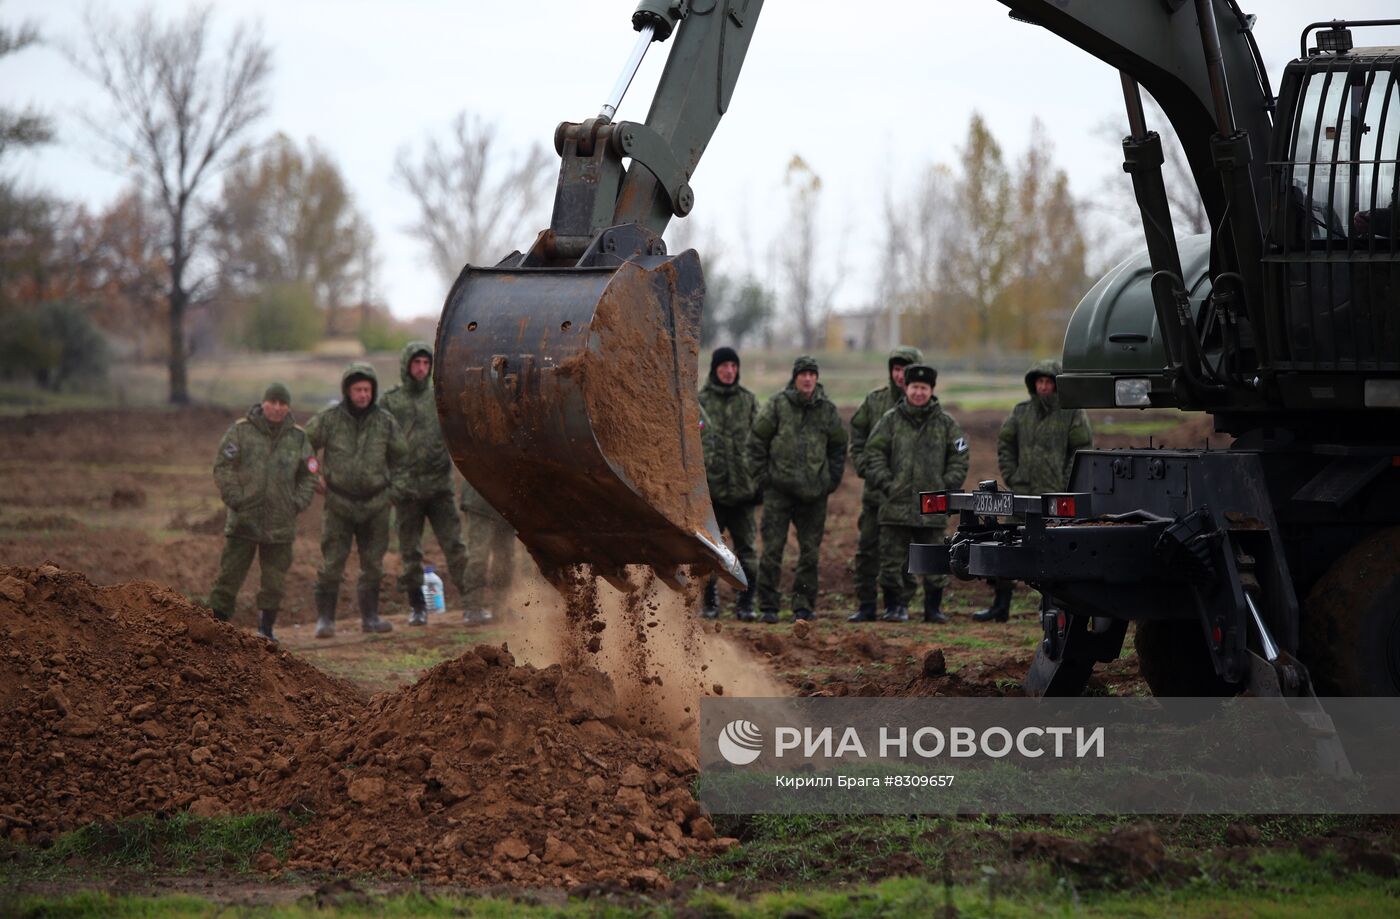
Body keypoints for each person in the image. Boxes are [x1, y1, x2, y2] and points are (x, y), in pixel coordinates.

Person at [977, 360, 1093, 622]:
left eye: (1049, 382)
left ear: (1057, 384)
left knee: (1052, 552)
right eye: (1040, 382)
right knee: (1006, 547)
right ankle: (1000, 605)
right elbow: (1005, 443)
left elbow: (1081, 450)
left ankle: (1050, 605)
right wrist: (1012, 475)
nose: (1044, 387)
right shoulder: (1021, 412)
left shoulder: (1071, 413)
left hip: (1054, 498)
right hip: (1021, 494)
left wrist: (1066, 484)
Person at [208, 382, 317, 643]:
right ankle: (214, 626)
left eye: (283, 403)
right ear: (264, 403)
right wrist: (236, 498)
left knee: (274, 582)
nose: (278, 408)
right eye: (273, 402)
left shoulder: (298, 438)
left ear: (288, 407)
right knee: (229, 576)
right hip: (244, 521)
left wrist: (297, 503)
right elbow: (223, 466)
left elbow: (309, 475)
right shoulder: (241, 431)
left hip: (280, 524)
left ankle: (266, 629)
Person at [305, 362, 406, 637]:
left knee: (373, 564)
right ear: (347, 391)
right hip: (339, 503)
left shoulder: (385, 421)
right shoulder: (329, 419)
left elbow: (402, 458)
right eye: (357, 390)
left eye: (367, 390)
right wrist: (314, 477)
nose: (363, 395)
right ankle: (325, 620)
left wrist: (393, 492)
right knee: (332, 563)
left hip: (376, 504)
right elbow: (304, 447)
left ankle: (370, 618)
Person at [863, 363, 969, 623]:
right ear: (906, 388)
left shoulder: (946, 423)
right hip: (895, 505)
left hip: (932, 506)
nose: (918, 392)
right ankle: (895, 607)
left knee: (935, 557)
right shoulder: (889, 421)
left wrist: (946, 487)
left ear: (931, 390)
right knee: (892, 560)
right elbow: (873, 453)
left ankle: (933, 609)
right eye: (914, 387)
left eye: (924, 388)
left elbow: (960, 457)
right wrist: (887, 483)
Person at [748, 354, 848, 623]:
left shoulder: (827, 410)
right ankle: (768, 606)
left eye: (812, 374)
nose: (807, 378)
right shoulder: (778, 405)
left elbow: (839, 446)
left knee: (810, 553)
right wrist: (764, 479)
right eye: (803, 374)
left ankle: (803, 606)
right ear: (795, 377)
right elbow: (757, 440)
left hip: (814, 495)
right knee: (771, 550)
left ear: (816, 378)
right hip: (778, 491)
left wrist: (831, 480)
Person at [381, 341, 469, 627]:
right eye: (416, 363)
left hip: (439, 488)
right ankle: (417, 607)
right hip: (406, 491)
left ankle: (472, 603)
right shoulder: (391, 402)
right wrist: (389, 482)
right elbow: (378, 443)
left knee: (454, 545)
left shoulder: (439, 397)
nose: (421, 368)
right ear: (407, 366)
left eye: (425, 364)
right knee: (410, 552)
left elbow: (458, 432)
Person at [847, 345, 923, 622]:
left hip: (907, 498)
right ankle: (866, 604)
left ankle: (900, 604)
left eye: (905, 369)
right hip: (876, 494)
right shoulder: (875, 401)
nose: (900, 375)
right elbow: (857, 438)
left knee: (903, 553)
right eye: (896, 369)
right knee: (867, 549)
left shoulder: (924, 405)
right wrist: (866, 468)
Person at [697, 346, 759, 620]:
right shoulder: (699, 402)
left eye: (733, 366)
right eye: (724, 366)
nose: (729, 371)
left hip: (744, 493)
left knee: (748, 551)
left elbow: (761, 444)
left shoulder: (749, 401)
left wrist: (758, 481)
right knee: (710, 551)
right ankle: (710, 602)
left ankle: (746, 604)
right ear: (715, 369)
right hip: (711, 495)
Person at [458, 481, 516, 624]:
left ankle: (501, 607)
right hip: (479, 501)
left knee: (505, 558)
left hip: (506, 502)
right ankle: (473, 607)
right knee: (479, 556)